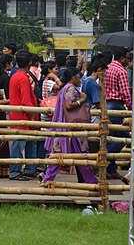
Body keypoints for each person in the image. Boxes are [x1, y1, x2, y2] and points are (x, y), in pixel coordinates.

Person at [41, 67, 98, 185]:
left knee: (64, 155)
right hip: (71, 126)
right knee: (78, 155)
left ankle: (48, 178)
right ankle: (90, 180)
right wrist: (82, 100)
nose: (80, 79)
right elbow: (69, 105)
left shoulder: (64, 88)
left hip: (65, 125)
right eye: (78, 77)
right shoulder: (71, 88)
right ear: (73, 77)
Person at [8, 50, 39, 181]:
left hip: (18, 114)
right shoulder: (23, 78)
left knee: (29, 143)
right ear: (29, 63)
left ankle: (29, 170)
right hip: (24, 116)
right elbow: (26, 101)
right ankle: (16, 171)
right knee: (20, 144)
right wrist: (33, 114)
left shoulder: (15, 76)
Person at [104, 47, 132, 178]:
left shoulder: (107, 67)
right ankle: (105, 157)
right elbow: (125, 93)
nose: (128, 60)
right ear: (122, 58)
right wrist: (131, 107)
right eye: (127, 58)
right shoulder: (121, 71)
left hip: (107, 104)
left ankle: (111, 168)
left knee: (112, 136)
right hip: (117, 105)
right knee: (123, 137)